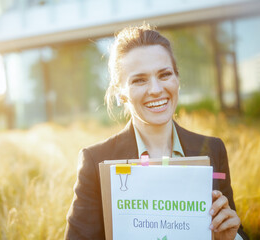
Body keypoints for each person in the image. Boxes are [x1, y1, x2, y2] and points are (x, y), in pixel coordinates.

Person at [65, 24, 248, 240]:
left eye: (164, 74)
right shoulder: (95, 161)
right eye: (139, 80)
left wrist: (231, 237)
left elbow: (233, 229)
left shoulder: (212, 150)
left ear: (177, 79)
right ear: (120, 92)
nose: (155, 89)